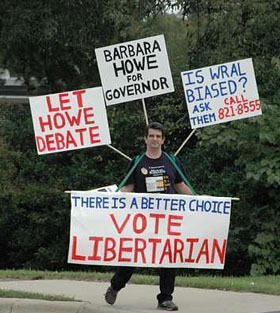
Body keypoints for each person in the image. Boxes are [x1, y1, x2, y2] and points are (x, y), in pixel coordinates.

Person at [105, 122, 193, 311]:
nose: (154, 139)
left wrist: (199, 200)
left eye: (158, 136)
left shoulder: (172, 161)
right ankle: (115, 286)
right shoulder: (137, 162)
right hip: (142, 221)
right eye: (151, 136)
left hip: (168, 219)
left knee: (168, 257)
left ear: (163, 140)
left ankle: (165, 298)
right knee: (131, 257)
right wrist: (108, 197)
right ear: (145, 138)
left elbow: (180, 186)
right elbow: (127, 188)